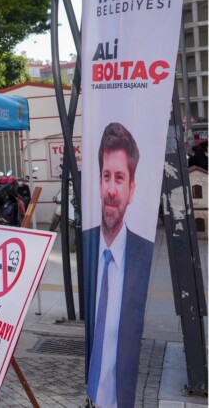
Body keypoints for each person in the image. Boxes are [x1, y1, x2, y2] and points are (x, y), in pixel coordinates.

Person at [84, 122, 154, 408]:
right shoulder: (86, 245)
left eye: (120, 178)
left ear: (132, 188)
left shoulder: (143, 254)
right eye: (106, 176)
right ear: (99, 183)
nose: (111, 189)